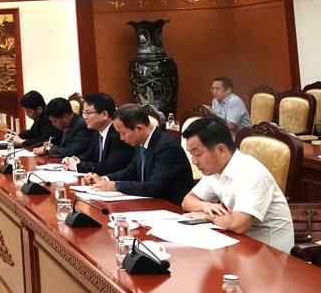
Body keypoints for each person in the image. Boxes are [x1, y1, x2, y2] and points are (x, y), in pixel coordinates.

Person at [181, 117, 294, 251]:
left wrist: (207, 216)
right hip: (238, 244)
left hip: (269, 252)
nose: (194, 161)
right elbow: (187, 201)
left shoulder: (251, 172)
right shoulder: (215, 169)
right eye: (192, 154)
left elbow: (239, 224)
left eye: (198, 154)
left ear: (221, 150)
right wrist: (205, 205)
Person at [84, 104, 194, 206]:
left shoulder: (167, 147)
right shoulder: (141, 142)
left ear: (139, 129)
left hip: (169, 207)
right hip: (148, 203)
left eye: (123, 133)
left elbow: (155, 187)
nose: (121, 138)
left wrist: (116, 186)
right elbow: (131, 171)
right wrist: (104, 179)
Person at [65, 92, 135, 175]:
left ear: (104, 114)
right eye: (84, 112)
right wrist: (74, 160)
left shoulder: (119, 134)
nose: (84, 117)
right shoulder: (98, 130)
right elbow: (90, 155)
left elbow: (110, 167)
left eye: (88, 113)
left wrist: (77, 166)